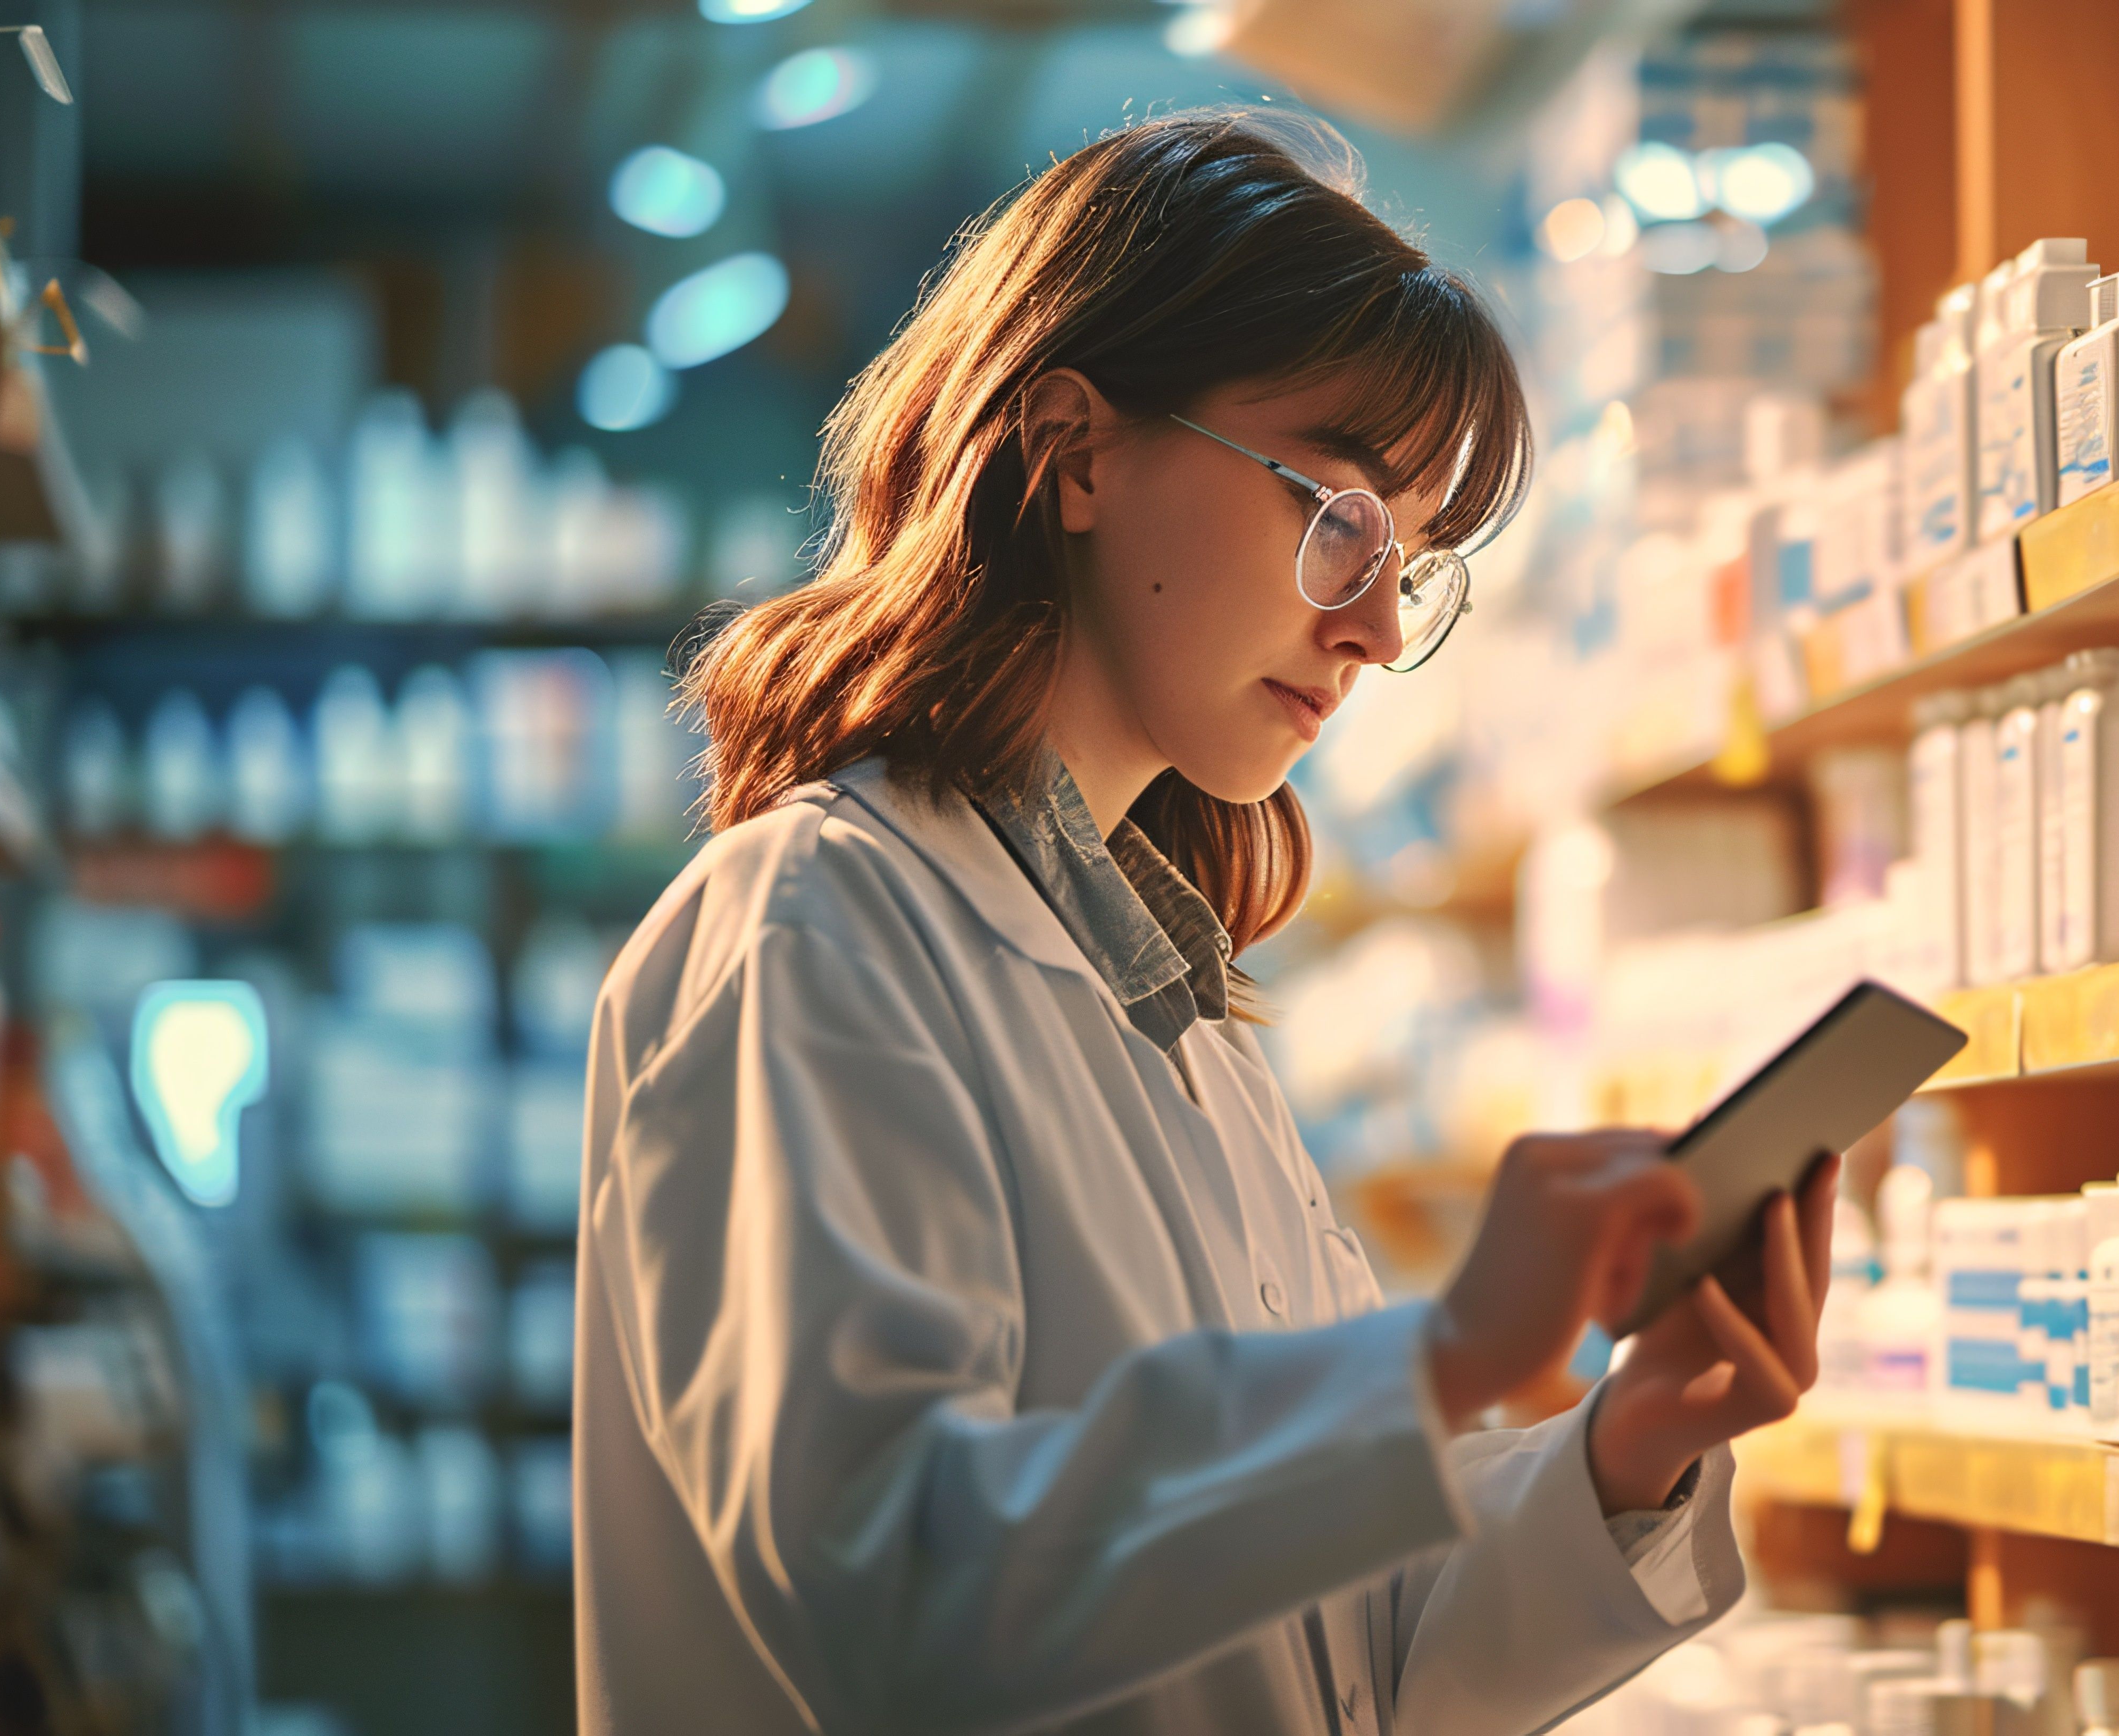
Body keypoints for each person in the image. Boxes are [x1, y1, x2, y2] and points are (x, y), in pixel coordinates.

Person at [572, 112, 1835, 1735]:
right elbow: (891, 1604)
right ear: (1077, 447)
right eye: (1340, 516)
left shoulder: (1179, 1019)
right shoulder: (811, 933)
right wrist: (1441, 1356)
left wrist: (1630, 1444)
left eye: (1413, 560)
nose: (1379, 626)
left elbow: (1349, 1659)